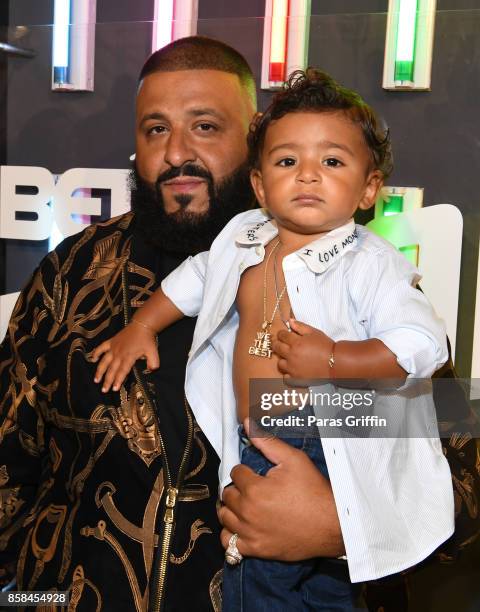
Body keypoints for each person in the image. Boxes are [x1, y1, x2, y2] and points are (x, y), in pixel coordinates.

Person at [92, 69, 455, 611]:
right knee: (260, 576)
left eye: (332, 162)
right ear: (260, 183)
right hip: (252, 438)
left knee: (278, 580)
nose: (308, 176)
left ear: (370, 187)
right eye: (288, 162)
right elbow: (194, 278)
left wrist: (336, 358)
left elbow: (422, 345)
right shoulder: (242, 237)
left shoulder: (371, 263)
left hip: (329, 439)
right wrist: (143, 326)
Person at [0, 36, 299, 611]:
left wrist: (335, 531)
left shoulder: (343, 277)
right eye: (155, 129)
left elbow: (453, 490)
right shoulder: (71, 274)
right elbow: (8, 462)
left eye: (205, 127)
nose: (176, 154)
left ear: (257, 136)